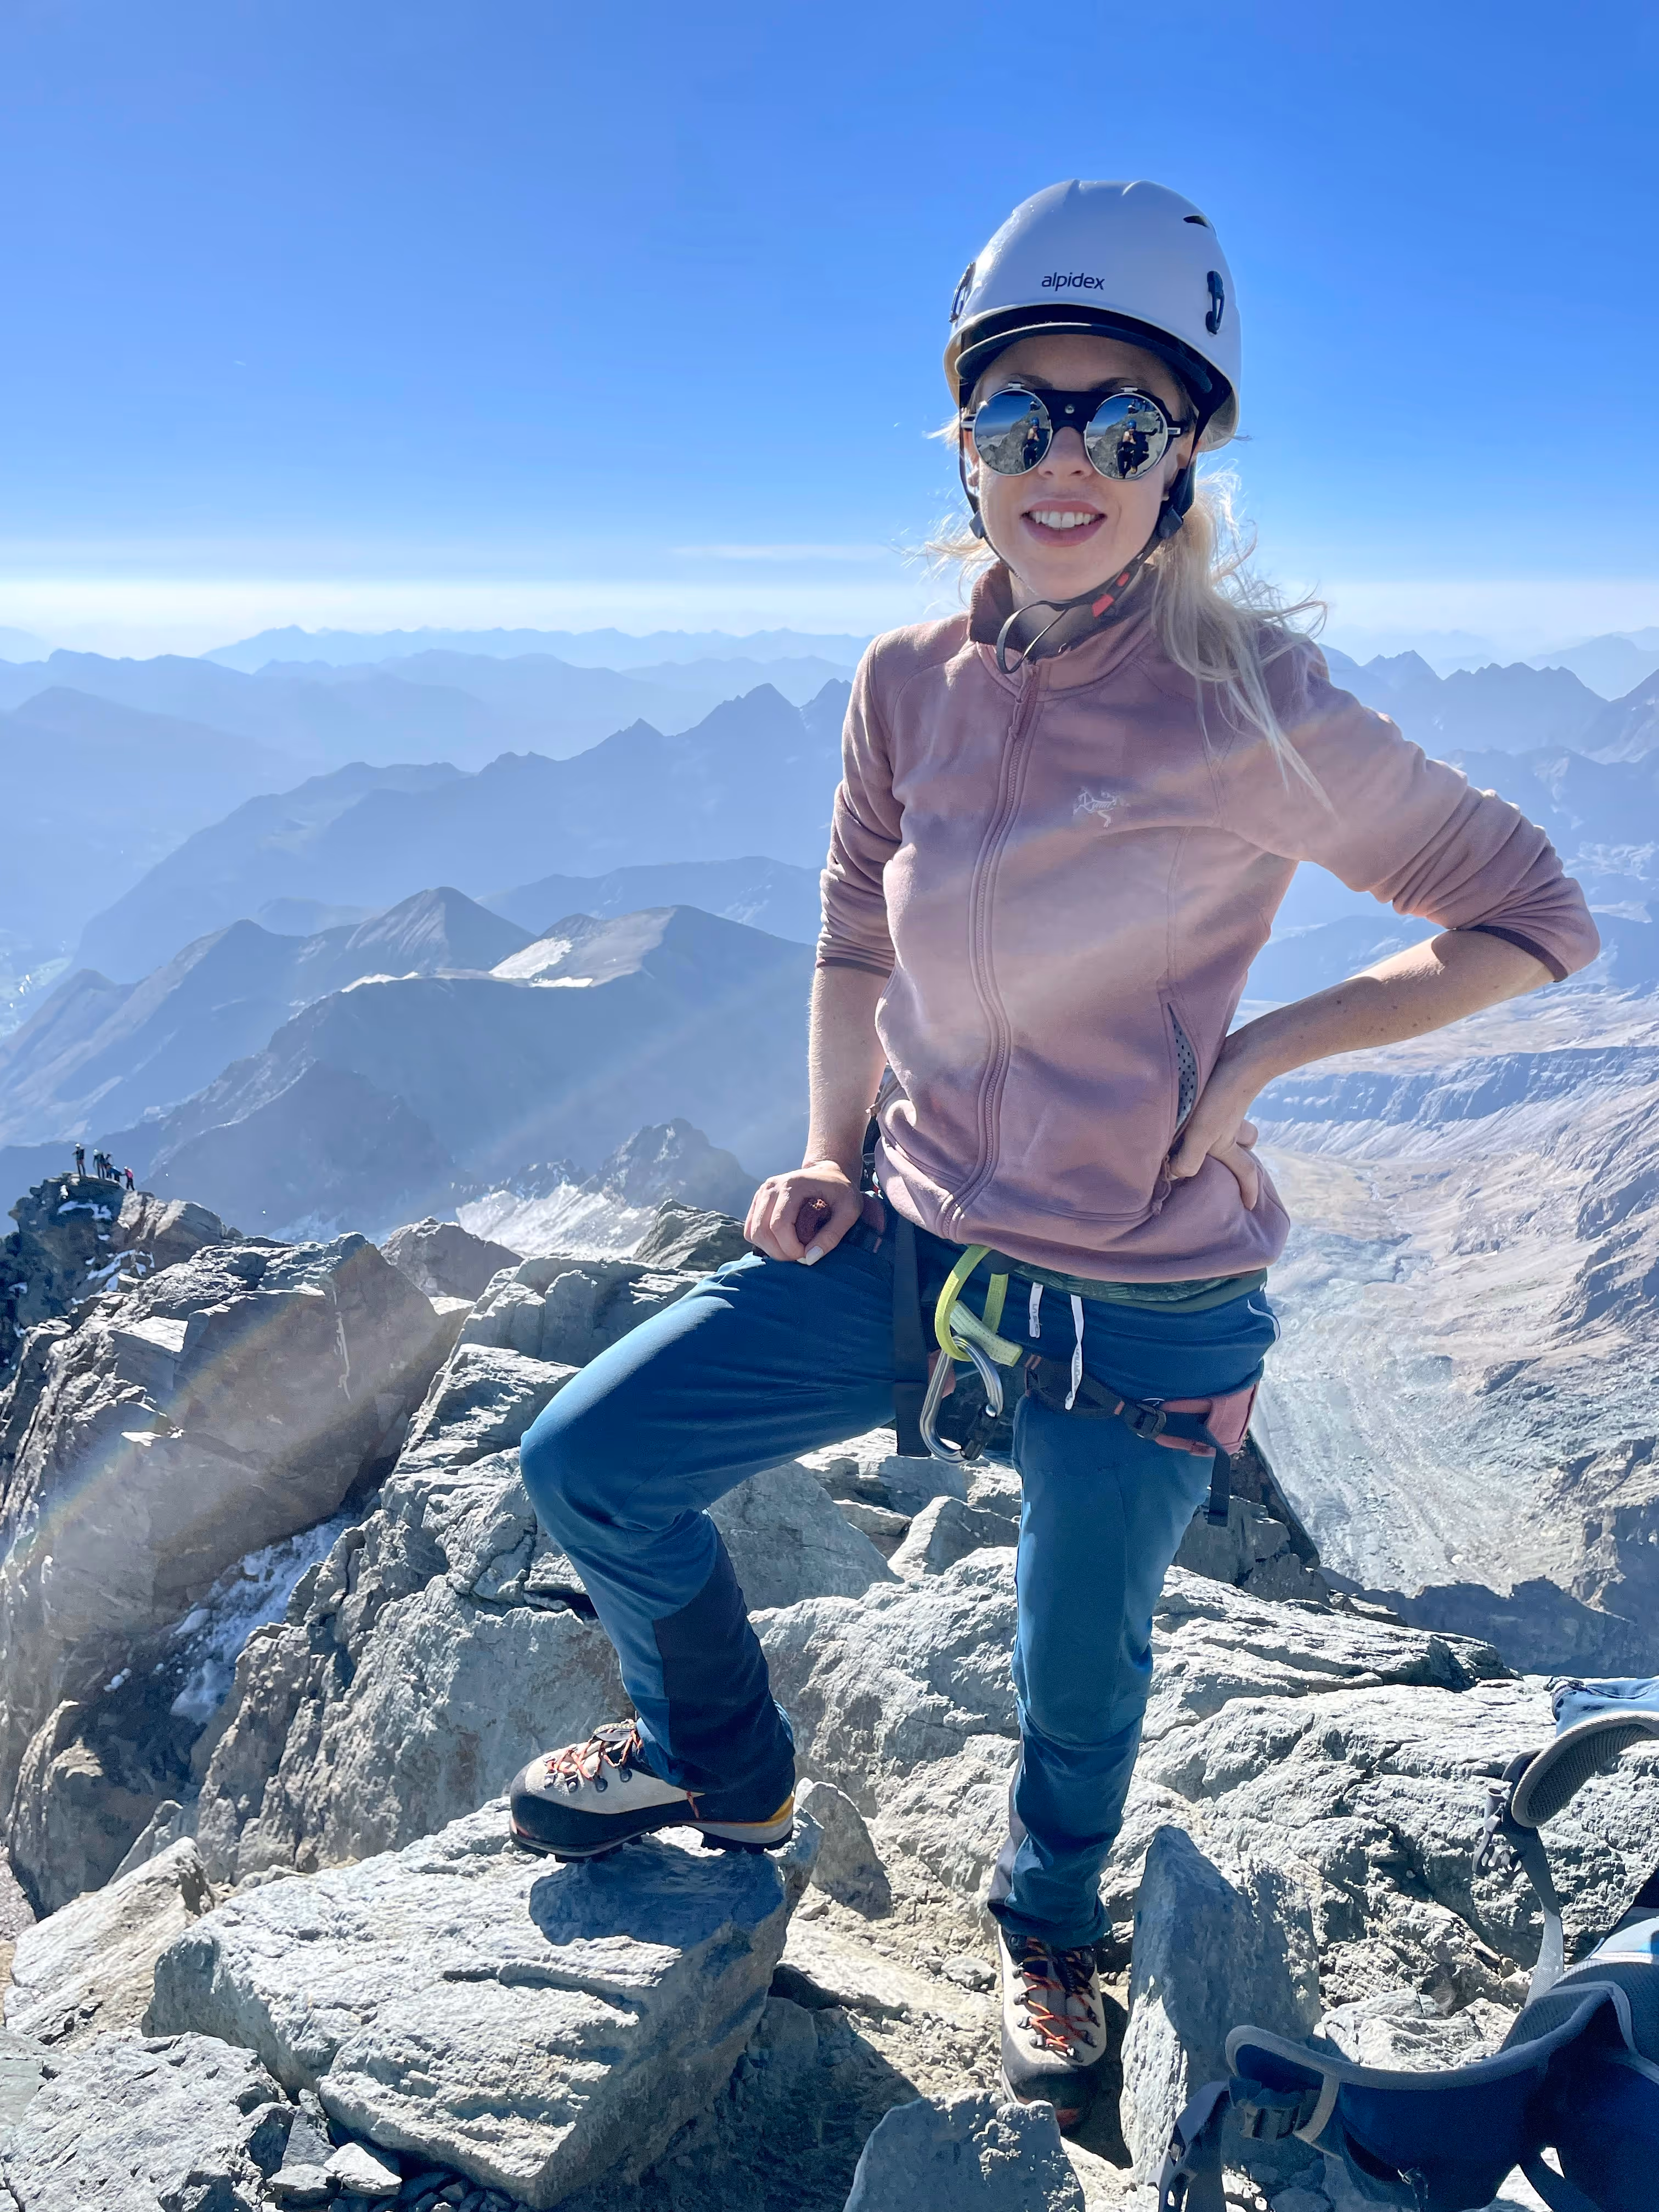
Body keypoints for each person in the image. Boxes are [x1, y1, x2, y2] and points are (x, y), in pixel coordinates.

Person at [510, 179, 1598, 2130]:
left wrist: (1269, 1049)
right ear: (968, 446)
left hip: (1143, 1286)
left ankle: (1049, 1921)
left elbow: (1533, 911)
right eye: (1022, 416)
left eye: (1124, 421)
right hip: (912, 1236)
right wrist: (826, 1152)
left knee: (1074, 1669)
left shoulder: (1261, 704)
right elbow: (855, 924)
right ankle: (723, 1763)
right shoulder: (904, 682)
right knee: (587, 1455)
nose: (1067, 459)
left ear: (1186, 459)